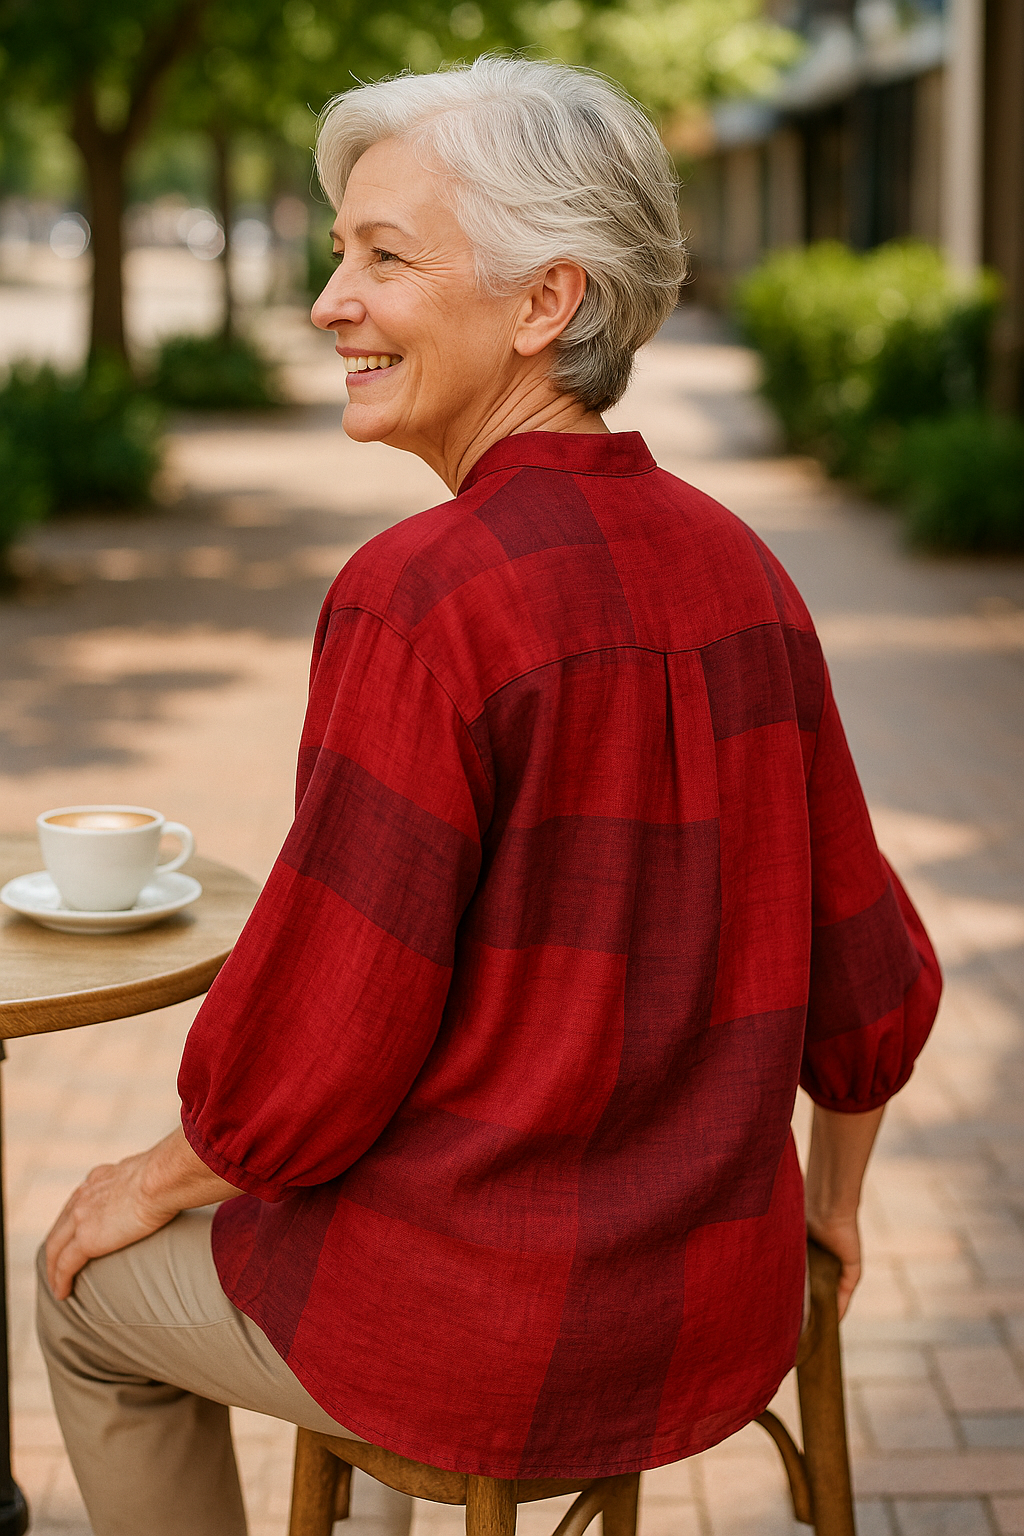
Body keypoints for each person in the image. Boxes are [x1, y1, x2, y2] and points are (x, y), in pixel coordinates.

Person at [37, 55, 941, 1536]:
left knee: (77, 1290)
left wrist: (152, 1175)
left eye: (383, 257)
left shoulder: (421, 603)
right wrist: (831, 1209)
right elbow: (871, 985)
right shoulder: (750, 578)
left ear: (546, 303)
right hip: (715, 1312)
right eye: (342, 253)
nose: (331, 301)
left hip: (480, 1340)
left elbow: (318, 1051)